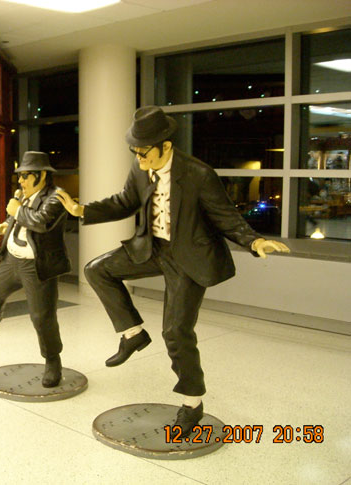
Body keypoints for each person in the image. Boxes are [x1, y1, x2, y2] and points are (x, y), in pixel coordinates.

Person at [56, 106, 289, 435]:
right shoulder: (141, 169)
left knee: (176, 333)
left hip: (189, 258)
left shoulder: (197, 174)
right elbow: (125, 201)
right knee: (96, 270)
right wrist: (83, 210)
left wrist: (254, 242)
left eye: (143, 153)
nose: (138, 160)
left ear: (165, 146)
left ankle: (192, 403)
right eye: (134, 152)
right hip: (153, 248)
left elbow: (225, 217)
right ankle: (133, 334)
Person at [0, 151, 71, 388]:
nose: (19, 181)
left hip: (37, 265)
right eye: (19, 176)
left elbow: (41, 222)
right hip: (12, 260)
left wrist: (16, 212)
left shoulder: (57, 197)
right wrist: (6, 224)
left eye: (25, 176)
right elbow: (21, 218)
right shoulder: (24, 195)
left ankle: (53, 361)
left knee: (42, 317)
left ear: (41, 175)